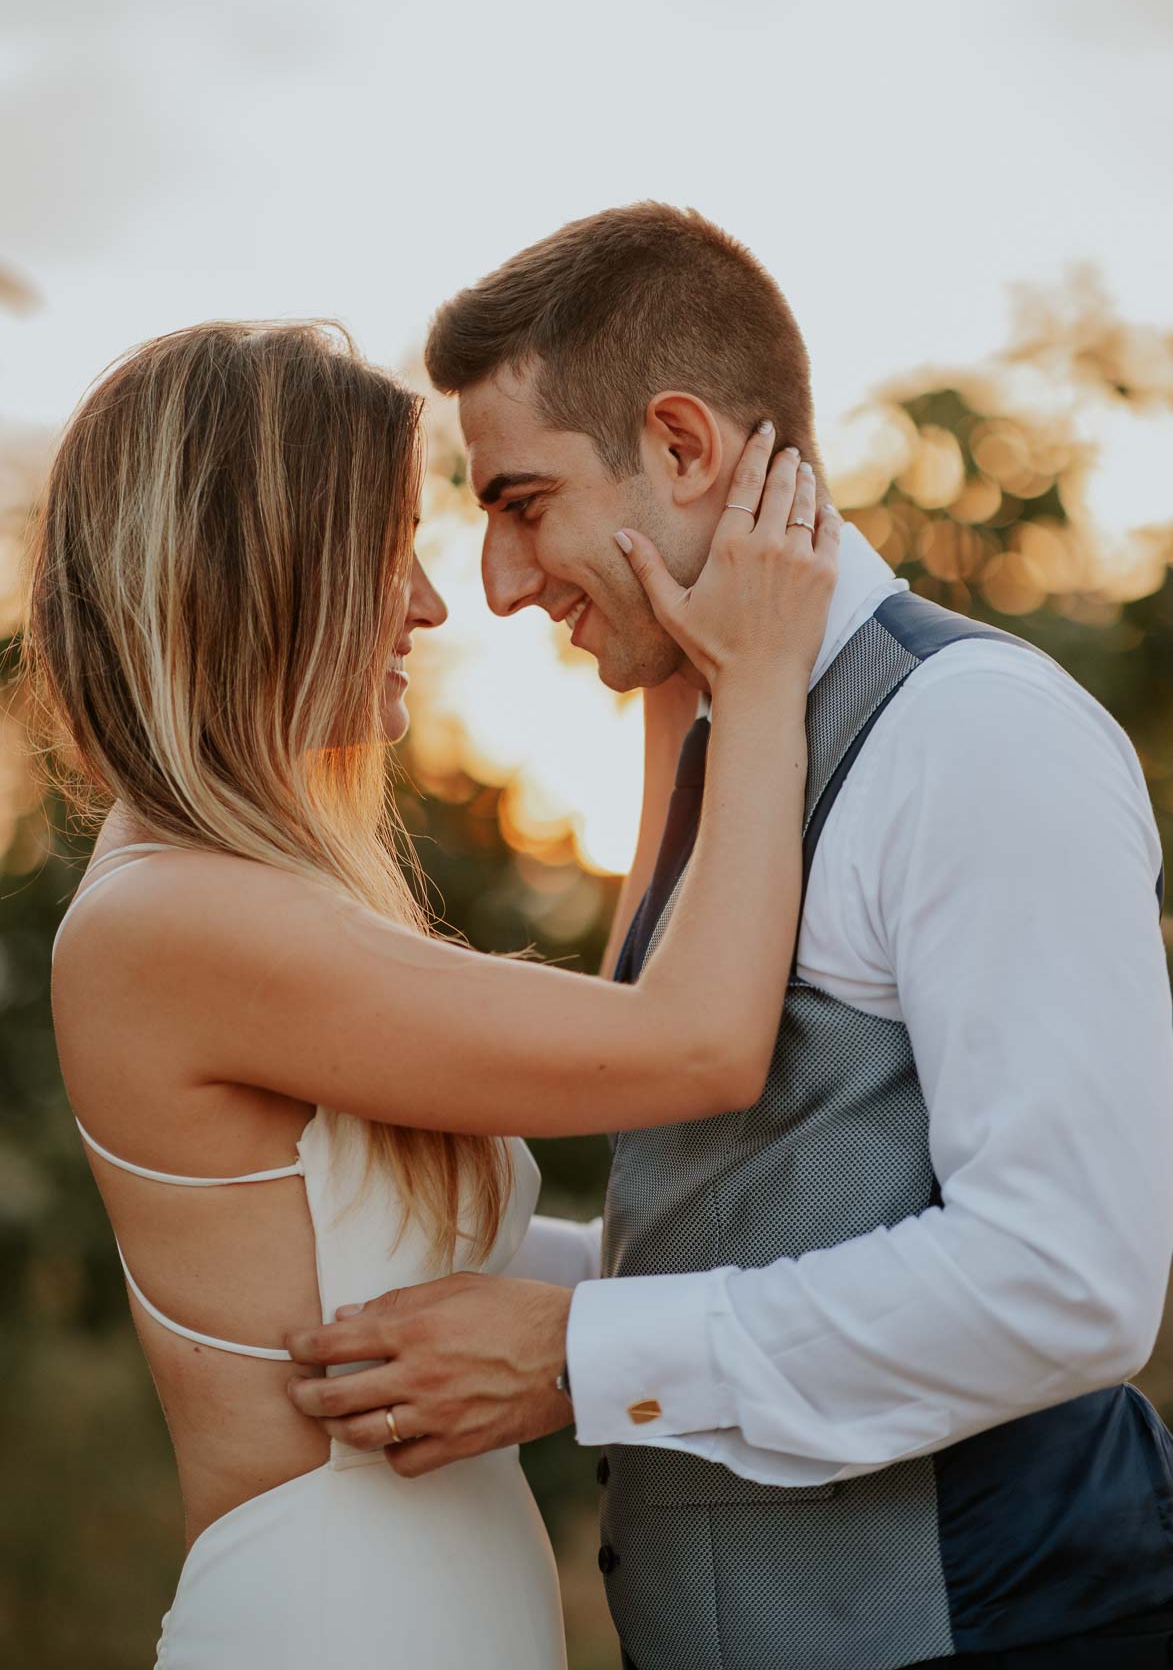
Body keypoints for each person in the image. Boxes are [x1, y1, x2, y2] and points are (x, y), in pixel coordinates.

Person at [290, 205, 1173, 1670]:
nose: (502, 584)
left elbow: (1066, 1282)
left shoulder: (975, 736)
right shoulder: (718, 746)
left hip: (1016, 1628)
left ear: (684, 449)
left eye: (521, 502)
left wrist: (574, 1359)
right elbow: (759, 1207)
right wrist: (494, 1294)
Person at [28, 316, 839, 1668]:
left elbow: (621, 1031)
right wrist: (755, 690)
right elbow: (692, 1044)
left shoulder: (238, 898)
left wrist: (663, 688)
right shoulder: (177, 920)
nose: (427, 602)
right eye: (385, 549)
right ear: (261, 570)